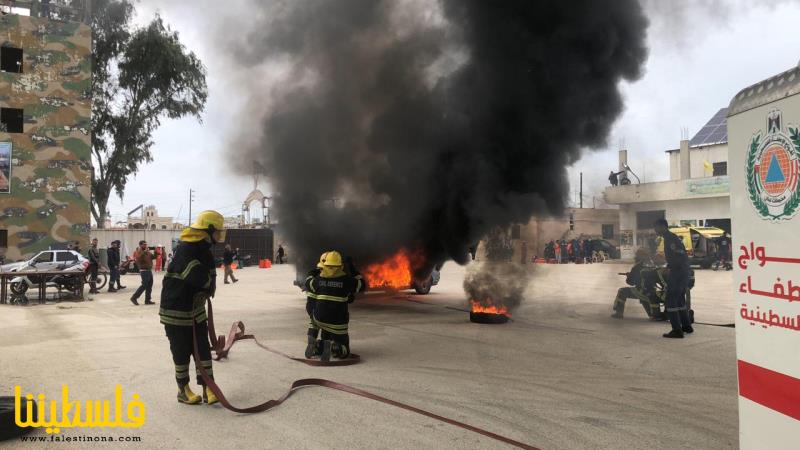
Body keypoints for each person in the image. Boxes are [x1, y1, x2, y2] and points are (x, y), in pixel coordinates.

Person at [160, 210, 224, 405]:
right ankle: (183, 390)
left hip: (195, 310)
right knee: (182, 351)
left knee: (202, 349)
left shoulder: (203, 250)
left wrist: (209, 286)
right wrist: (207, 284)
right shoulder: (187, 249)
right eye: (218, 231)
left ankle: (208, 388)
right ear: (209, 229)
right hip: (176, 310)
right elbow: (197, 277)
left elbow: (210, 278)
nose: (220, 236)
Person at [304, 250, 366, 362]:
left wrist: (314, 271)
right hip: (338, 323)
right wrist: (352, 267)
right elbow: (361, 284)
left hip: (320, 319)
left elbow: (308, 282)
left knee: (318, 320)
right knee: (344, 347)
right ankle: (337, 348)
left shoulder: (318, 280)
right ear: (340, 266)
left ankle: (319, 345)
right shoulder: (346, 281)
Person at [654, 219, 693, 338]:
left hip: (678, 272)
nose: (655, 230)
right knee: (680, 299)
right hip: (682, 271)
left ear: (662, 227)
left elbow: (679, 256)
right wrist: (669, 266)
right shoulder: (670, 238)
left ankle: (677, 330)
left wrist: (672, 268)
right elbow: (678, 256)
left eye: (656, 227)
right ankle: (686, 326)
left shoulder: (670, 239)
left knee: (670, 300)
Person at [611, 248, 662, 319]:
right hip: (652, 292)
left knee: (622, 291)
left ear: (640, 256)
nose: (635, 256)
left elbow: (630, 282)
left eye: (637, 255)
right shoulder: (653, 264)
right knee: (653, 316)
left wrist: (629, 276)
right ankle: (657, 314)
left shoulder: (637, 266)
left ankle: (618, 313)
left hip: (641, 291)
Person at [304, 252, 327, 358]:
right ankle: (324, 345)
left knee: (314, 324)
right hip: (323, 308)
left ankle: (311, 342)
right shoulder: (327, 279)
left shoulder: (313, 277)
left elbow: (308, 280)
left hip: (311, 306)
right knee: (327, 326)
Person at [131, 240, 155, 305]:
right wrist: (144, 252)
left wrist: (156, 252)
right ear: (140, 245)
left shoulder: (148, 252)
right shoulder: (138, 251)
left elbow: (153, 257)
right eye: (144, 244)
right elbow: (138, 258)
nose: (145, 245)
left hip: (149, 270)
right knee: (144, 285)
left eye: (146, 244)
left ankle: (147, 300)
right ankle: (134, 297)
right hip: (144, 271)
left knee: (149, 285)